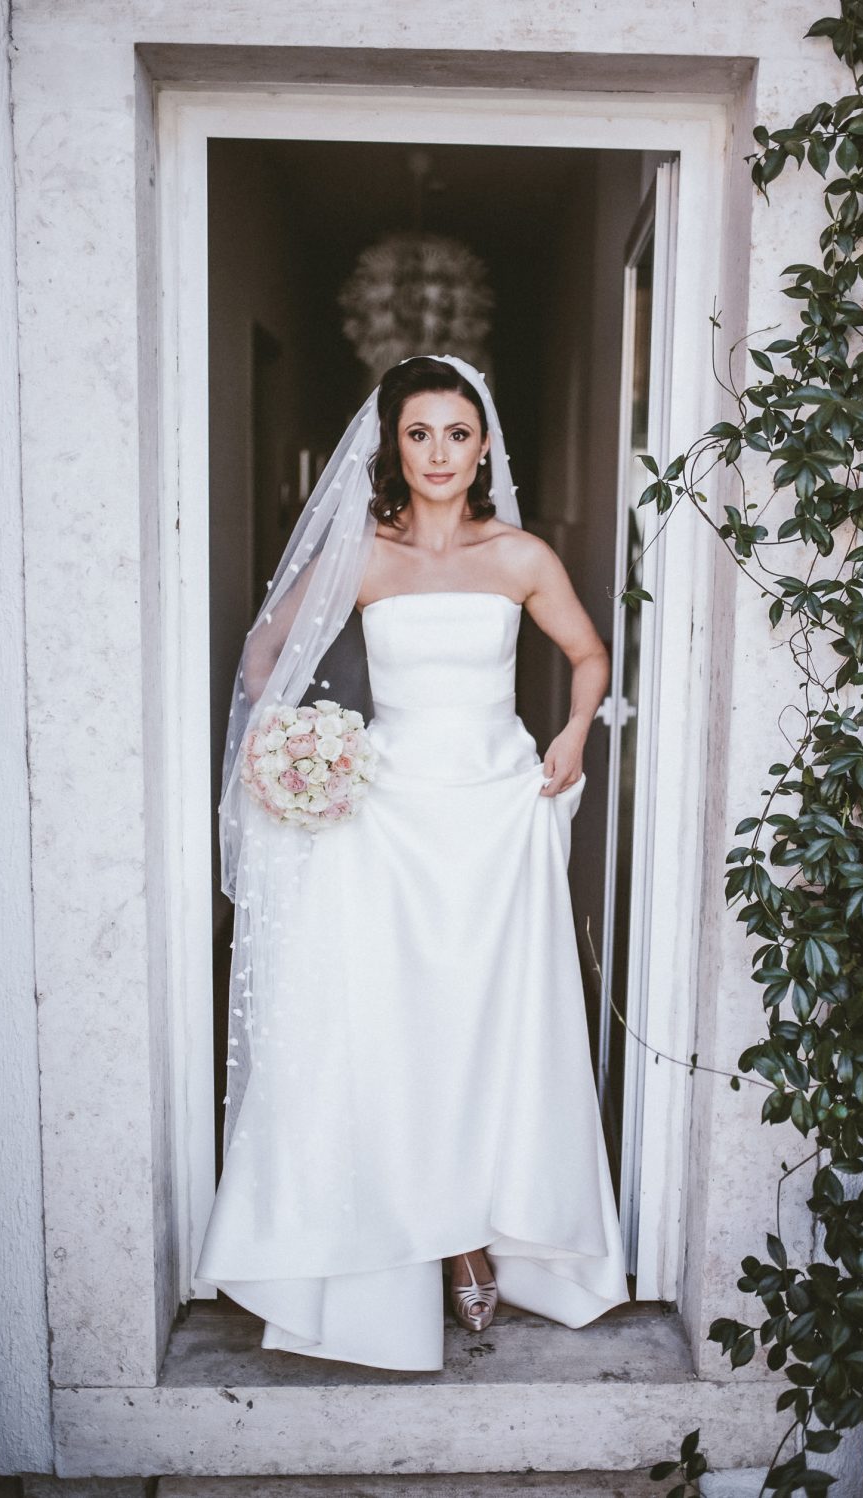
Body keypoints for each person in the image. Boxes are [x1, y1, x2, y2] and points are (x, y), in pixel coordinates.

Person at [195, 354, 629, 1371]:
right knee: (393, 1027)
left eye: (457, 433)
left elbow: (589, 656)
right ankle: (414, 1237)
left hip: (495, 813)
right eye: (420, 433)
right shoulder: (365, 554)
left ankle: (477, 1234)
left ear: (485, 447)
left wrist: (574, 733)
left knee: (490, 1025)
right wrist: (306, 749)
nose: (439, 453)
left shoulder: (519, 554)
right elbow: (262, 660)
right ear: (394, 446)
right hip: (387, 818)